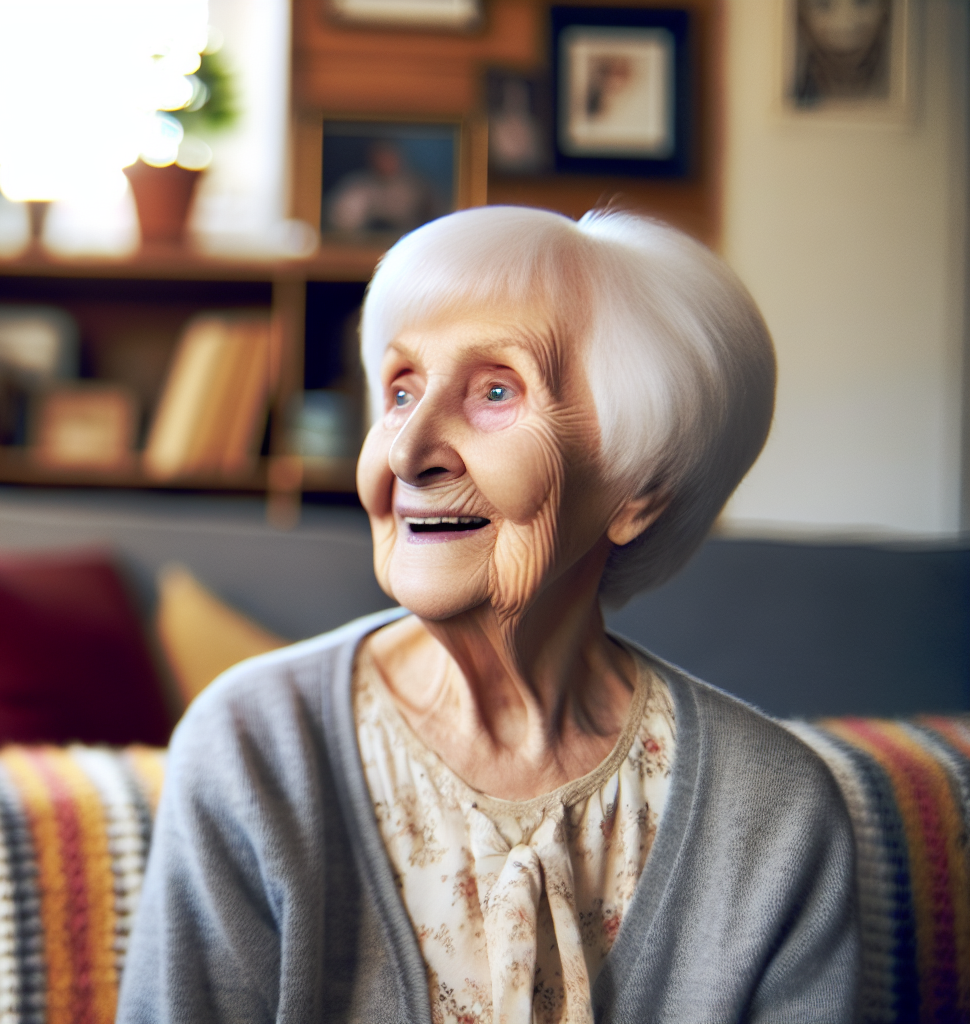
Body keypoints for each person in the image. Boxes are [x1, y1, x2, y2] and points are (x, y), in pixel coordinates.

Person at [117, 206, 857, 1023]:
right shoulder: (254, 750)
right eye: (400, 390)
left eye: (496, 391)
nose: (406, 451)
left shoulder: (776, 817)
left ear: (637, 490)